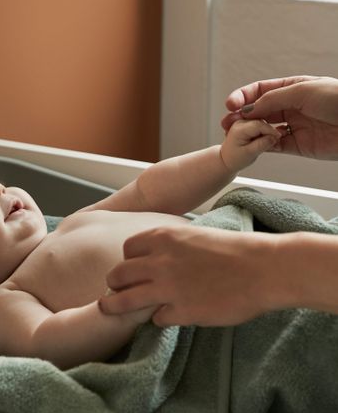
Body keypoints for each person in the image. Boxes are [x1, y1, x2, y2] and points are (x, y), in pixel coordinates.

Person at [0, 118, 280, 369]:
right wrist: (120, 309)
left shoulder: (73, 222)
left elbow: (151, 192)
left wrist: (222, 160)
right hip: (223, 315)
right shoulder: (6, 300)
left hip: (251, 251)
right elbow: (46, 342)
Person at [99, 75, 338, 328]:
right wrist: (127, 312)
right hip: (202, 316)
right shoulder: (49, 293)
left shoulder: (73, 221)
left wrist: (224, 160)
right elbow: (57, 340)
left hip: (249, 266)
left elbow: (146, 193)